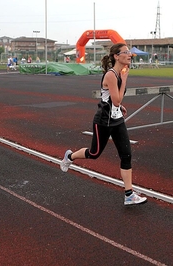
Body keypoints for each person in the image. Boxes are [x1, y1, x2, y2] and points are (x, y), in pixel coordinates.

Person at [60, 43, 147, 206]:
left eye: (129, 52)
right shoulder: (112, 75)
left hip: (117, 119)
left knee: (126, 154)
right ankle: (69, 156)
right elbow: (116, 98)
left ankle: (129, 194)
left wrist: (119, 107)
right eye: (126, 52)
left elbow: (110, 98)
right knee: (94, 153)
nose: (130, 55)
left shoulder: (119, 73)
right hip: (104, 121)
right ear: (116, 56)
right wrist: (124, 83)